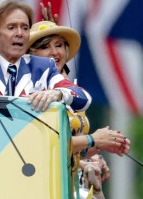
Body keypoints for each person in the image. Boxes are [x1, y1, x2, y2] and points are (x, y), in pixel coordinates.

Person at [27, 19, 129, 156]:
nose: (54, 52)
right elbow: (43, 146)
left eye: (59, 45)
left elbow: (71, 153)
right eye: (45, 47)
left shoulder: (66, 89)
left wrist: (101, 144)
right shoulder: (29, 89)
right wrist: (92, 139)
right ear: (30, 55)